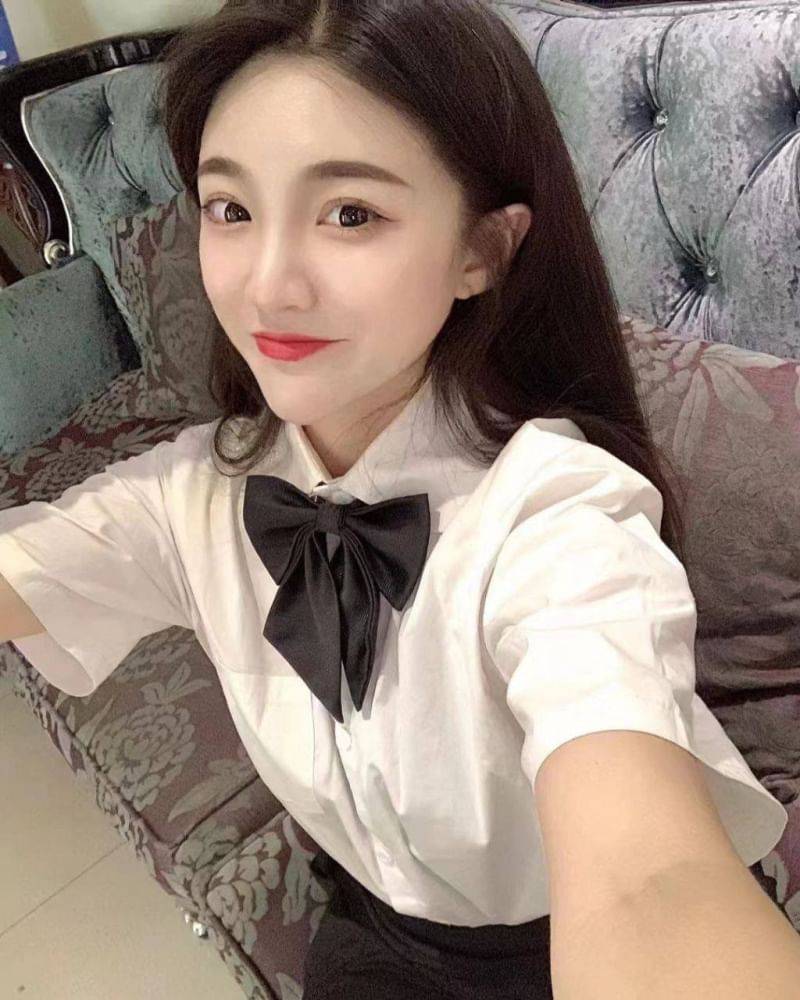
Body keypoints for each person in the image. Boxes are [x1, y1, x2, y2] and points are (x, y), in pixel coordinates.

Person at [0, 1, 792, 998]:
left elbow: (650, 881)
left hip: (546, 943)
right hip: (373, 926)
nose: (268, 285)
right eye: (230, 209)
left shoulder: (556, 513)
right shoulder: (196, 492)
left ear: (482, 251)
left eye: (350, 214)